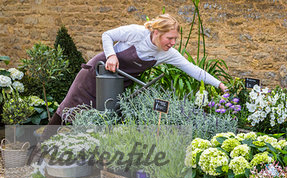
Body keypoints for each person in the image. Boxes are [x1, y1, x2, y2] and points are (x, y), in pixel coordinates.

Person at [47, 13, 227, 126]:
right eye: (169, 38)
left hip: (117, 85)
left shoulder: (167, 53)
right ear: (156, 33)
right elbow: (107, 35)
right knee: (66, 111)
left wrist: (220, 84)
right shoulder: (137, 33)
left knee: (102, 120)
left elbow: (193, 69)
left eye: (175, 39)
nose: (172, 43)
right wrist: (111, 55)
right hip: (96, 74)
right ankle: (39, 150)